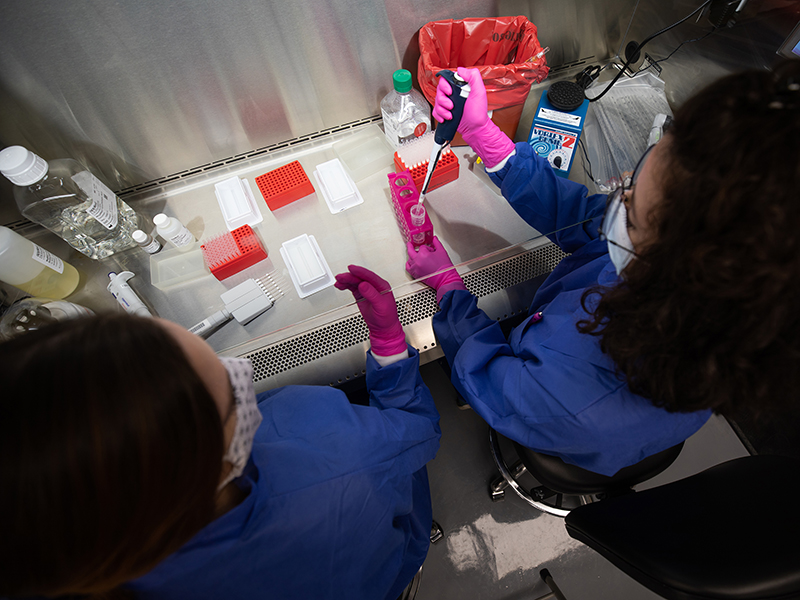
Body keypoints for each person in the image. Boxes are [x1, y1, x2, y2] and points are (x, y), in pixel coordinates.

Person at [406, 60, 800, 476]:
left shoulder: (577, 395)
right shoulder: (728, 306)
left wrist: (449, 289)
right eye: (636, 179)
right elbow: (582, 216)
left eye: (630, 211)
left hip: (561, 422)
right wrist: (489, 140)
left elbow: (489, 377)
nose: (622, 190)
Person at [0, 266, 440, 600]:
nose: (243, 372)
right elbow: (418, 435)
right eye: (233, 395)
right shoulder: (345, 462)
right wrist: (387, 342)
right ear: (215, 463)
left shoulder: (64, 563)